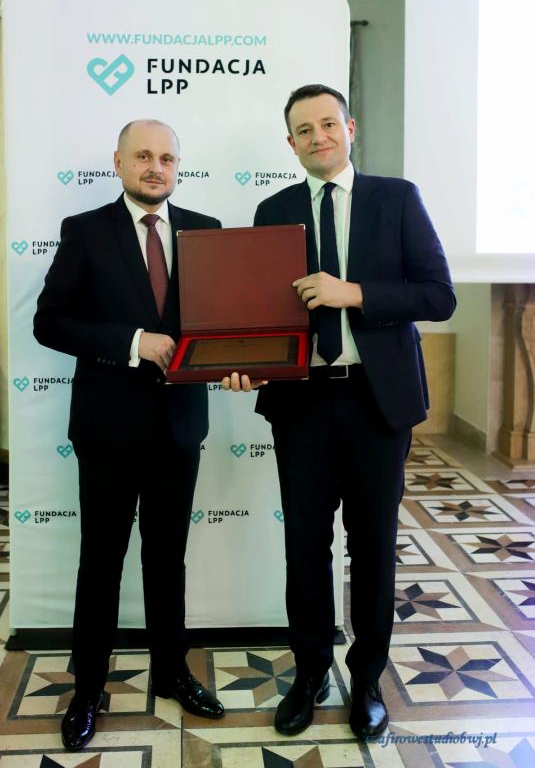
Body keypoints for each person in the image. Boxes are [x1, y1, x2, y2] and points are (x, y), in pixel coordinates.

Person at [223, 84, 455, 740]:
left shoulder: (396, 198)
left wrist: (351, 293)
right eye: (304, 129)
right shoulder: (273, 210)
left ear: (349, 129)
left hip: (377, 403)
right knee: (303, 546)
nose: (317, 136)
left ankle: (368, 678)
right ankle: (308, 673)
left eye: (328, 123)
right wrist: (247, 363)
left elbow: (438, 296)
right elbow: (261, 313)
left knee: (373, 545)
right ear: (290, 143)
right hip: (300, 402)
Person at [34, 119, 224, 752]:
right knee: (101, 561)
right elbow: (50, 322)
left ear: (178, 166)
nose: (155, 167)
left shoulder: (205, 231)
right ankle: (88, 687)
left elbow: (220, 325)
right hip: (107, 428)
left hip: (179, 427)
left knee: (167, 560)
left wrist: (243, 360)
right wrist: (132, 342)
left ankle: (171, 672)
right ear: (118, 162)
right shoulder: (86, 231)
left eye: (167, 157)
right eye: (143, 156)